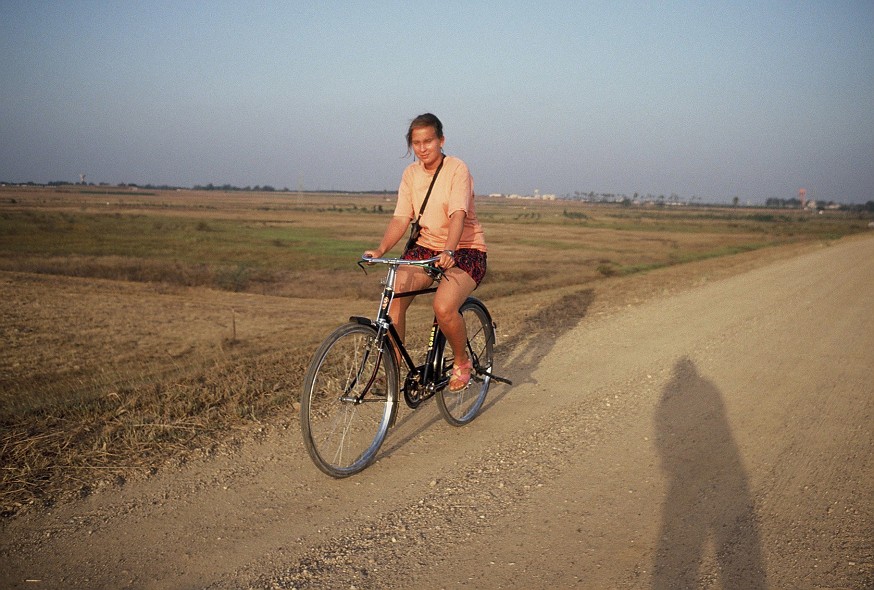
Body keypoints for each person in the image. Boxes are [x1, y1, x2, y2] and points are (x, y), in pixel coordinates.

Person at [364, 113, 487, 392]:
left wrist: (449, 249)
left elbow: (458, 214)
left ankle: (461, 361)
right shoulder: (410, 174)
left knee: (443, 308)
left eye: (428, 141)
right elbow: (400, 218)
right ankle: (393, 370)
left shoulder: (457, 169)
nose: (422, 148)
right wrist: (381, 249)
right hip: (426, 247)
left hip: (465, 248)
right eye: (416, 142)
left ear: (441, 141)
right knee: (395, 296)